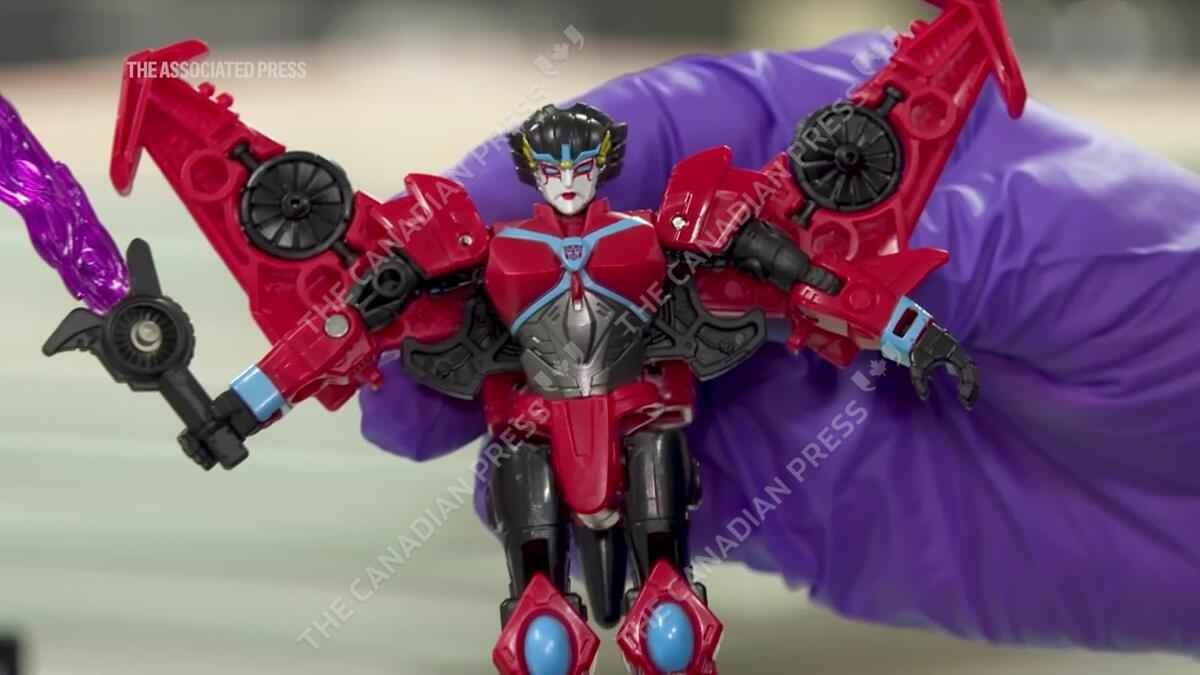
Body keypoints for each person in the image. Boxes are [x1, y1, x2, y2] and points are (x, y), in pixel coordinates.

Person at [361, 31, 1200, 654]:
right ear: (536, 172)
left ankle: (666, 582)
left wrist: (913, 328)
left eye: (582, 162)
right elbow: (372, 314)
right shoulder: (498, 254)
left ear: (603, 160)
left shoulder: (654, 234)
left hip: (645, 389)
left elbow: (805, 272)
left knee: (659, 469)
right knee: (525, 480)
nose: (569, 180)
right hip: (537, 401)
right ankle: (535, 593)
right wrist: (321, 343)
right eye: (553, 167)